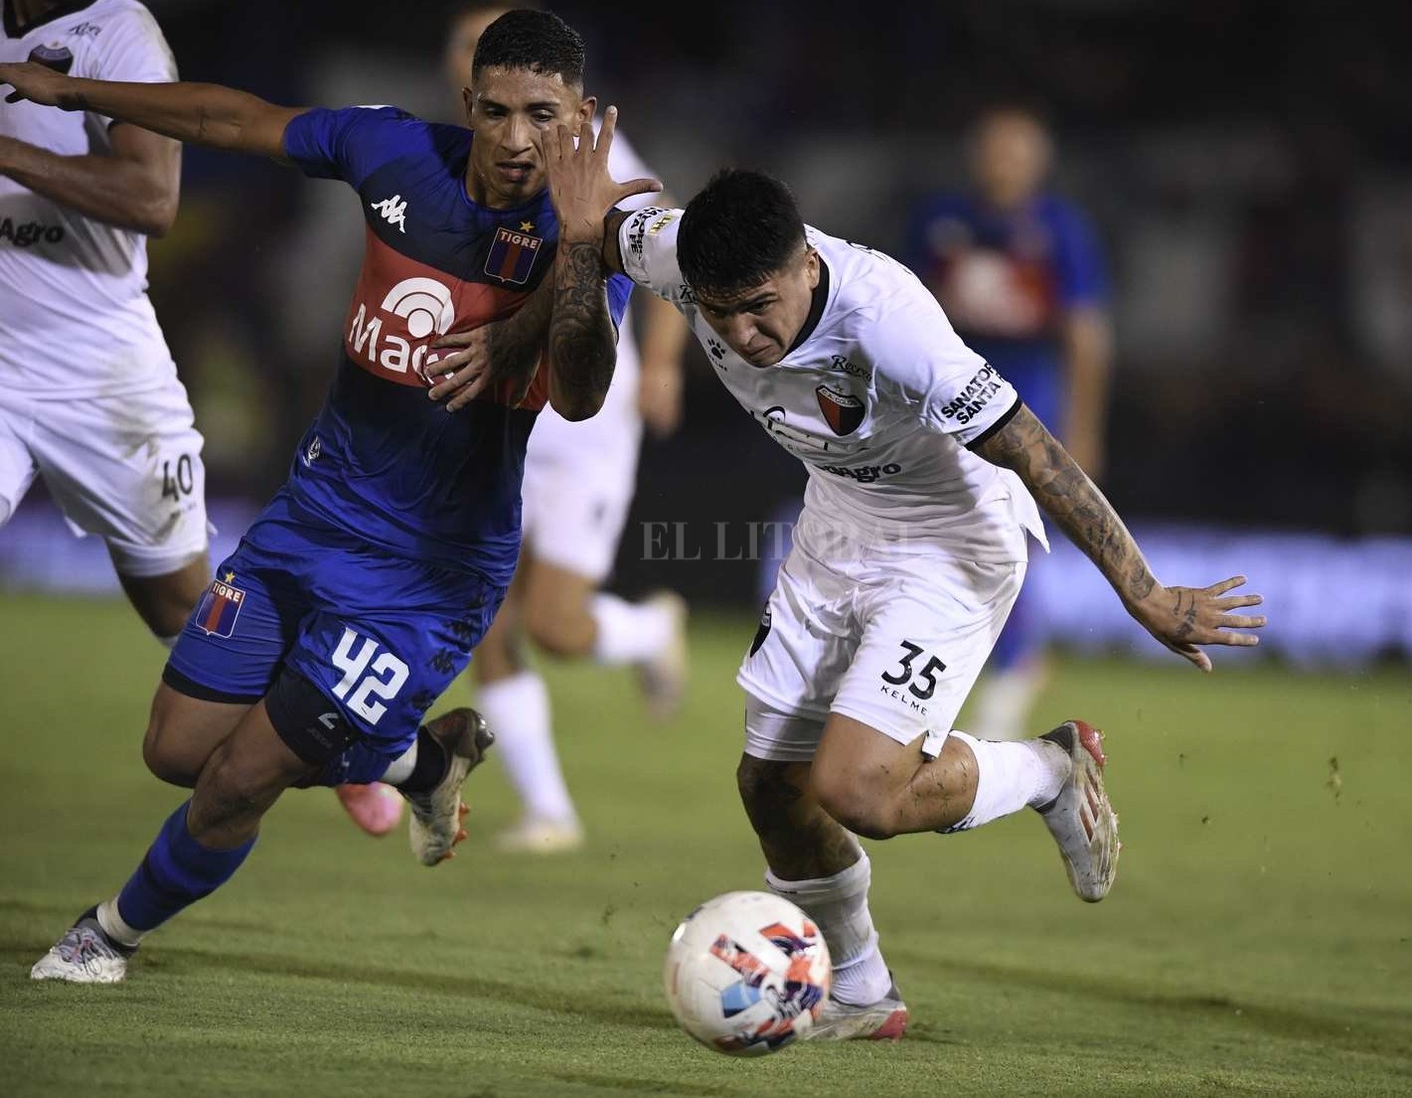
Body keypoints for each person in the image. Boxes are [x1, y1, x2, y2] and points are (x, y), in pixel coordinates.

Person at [468, 137, 1264, 1040]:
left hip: (952, 536)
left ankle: (1046, 770)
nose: (741, 335)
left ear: (806, 266)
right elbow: (597, 241)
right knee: (771, 787)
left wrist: (1143, 591)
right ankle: (860, 990)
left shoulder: (889, 323)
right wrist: (570, 249)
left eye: (759, 307)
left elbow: (1034, 451)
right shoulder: (675, 252)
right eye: (718, 313)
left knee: (859, 792)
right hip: (839, 521)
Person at [3, 8, 648, 983]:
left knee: (240, 779)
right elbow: (232, 118)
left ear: (580, 116)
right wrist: (75, 91)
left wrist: (582, 248)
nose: (519, 139)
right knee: (177, 750)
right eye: (498, 112)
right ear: (467, 104)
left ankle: (106, 937)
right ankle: (419, 761)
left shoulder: (593, 232)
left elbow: (583, 390)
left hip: (425, 576)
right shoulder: (393, 153)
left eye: (543, 116)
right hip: (309, 522)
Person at [336, 0, 691, 854]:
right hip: (495, 412)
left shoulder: (576, 145)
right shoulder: (455, 154)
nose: (466, 57)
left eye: (480, 42)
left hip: (580, 421)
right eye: (461, 46)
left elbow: (661, 240)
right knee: (485, 617)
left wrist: (663, 362)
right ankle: (548, 810)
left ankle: (651, 628)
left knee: (556, 627)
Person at [0, 0, 209, 644]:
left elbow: (153, 199)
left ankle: (394, 743)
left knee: (185, 616)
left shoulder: (123, 35)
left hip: (98, 366)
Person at [907, 106, 1114, 739]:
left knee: (1006, 533)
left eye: (1015, 153)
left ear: (1038, 164)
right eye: (994, 150)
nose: (1002, 164)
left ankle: (1014, 666)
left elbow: (1085, 333)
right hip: (946, 396)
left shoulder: (1060, 230)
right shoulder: (941, 220)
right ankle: (945, 665)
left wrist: (1083, 430)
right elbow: (905, 309)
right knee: (937, 533)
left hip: (1027, 398)